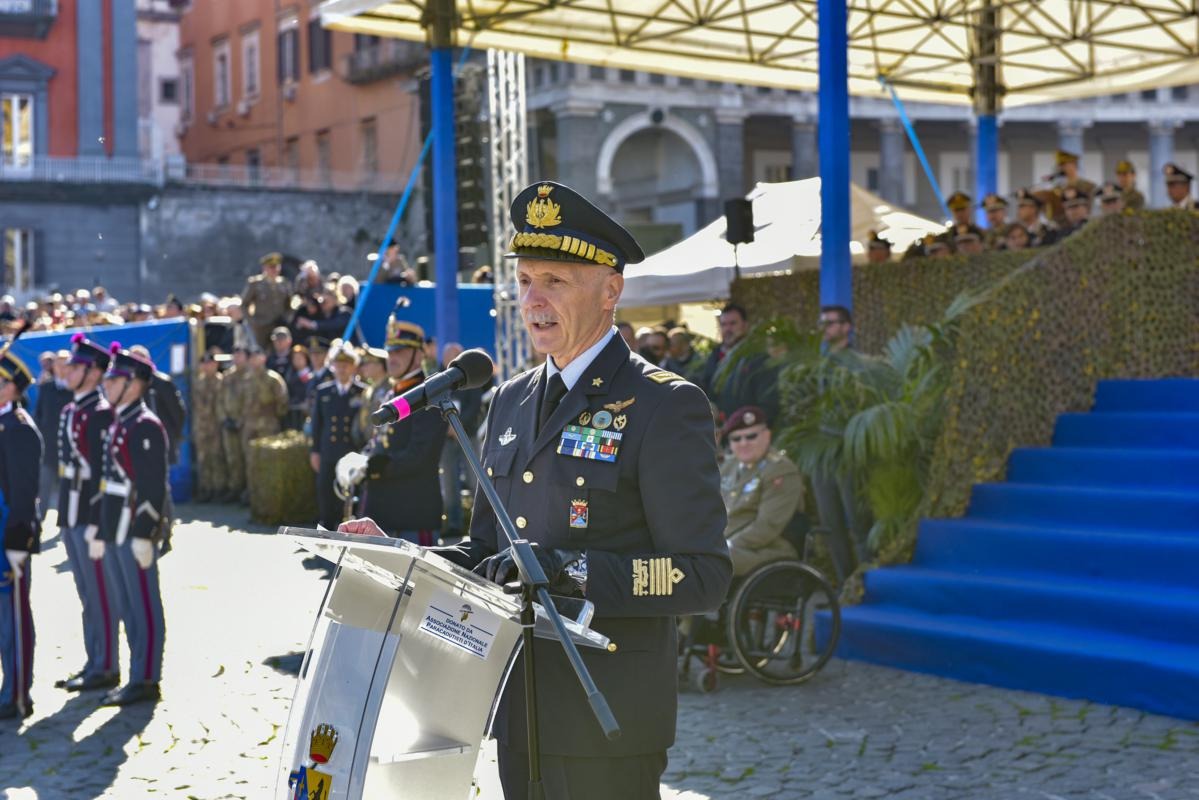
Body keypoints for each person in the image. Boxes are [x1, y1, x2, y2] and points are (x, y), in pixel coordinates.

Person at [343, 180, 732, 798]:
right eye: (525, 281)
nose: (534, 300)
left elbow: (702, 575)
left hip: (609, 717)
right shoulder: (509, 401)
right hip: (516, 708)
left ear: (611, 289)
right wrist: (399, 556)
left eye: (556, 280)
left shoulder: (665, 406)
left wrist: (568, 569)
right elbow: (487, 554)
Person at [97, 345, 168, 707]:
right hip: (116, 526)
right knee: (127, 604)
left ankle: (147, 676)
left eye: (114, 379)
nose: (106, 385)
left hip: (135, 527)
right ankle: (136, 671)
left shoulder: (145, 425)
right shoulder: (121, 422)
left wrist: (145, 532)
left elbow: (153, 485)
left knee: (144, 603)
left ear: (134, 384)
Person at [53, 335, 121, 693]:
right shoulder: (71, 409)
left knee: (100, 592)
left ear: (94, 372)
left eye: (77, 366)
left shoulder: (99, 413)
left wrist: (98, 523)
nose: (69, 370)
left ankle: (107, 665)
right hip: (71, 511)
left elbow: (103, 473)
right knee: (85, 591)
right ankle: (94, 658)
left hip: (91, 516)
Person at [354, 317, 447, 543]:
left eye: (400, 351)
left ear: (419, 355)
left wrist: (379, 466)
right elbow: (379, 441)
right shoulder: (391, 393)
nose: (392, 358)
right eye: (390, 352)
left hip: (411, 512)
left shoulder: (428, 396)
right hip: (381, 510)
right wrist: (360, 461)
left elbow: (421, 455)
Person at [0, 349, 43, 720]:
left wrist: (18, 542)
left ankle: (17, 694)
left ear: (12, 388)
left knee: (13, 616)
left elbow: (25, 492)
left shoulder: (18, 427)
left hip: (9, 537)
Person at [720, 406, 803, 576]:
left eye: (751, 436)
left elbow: (767, 527)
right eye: (736, 439)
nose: (744, 443)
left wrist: (727, 544)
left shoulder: (780, 470)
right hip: (726, 546)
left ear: (767, 436)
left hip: (767, 550)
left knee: (707, 562)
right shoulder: (728, 466)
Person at [309, 341, 368, 530]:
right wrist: (315, 451)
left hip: (351, 451)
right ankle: (326, 527)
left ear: (353, 366)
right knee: (325, 490)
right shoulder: (324, 391)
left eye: (346, 364)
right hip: (328, 450)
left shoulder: (362, 391)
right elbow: (317, 424)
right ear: (332, 366)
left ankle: (350, 528)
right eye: (338, 364)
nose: (342, 369)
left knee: (351, 493)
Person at [437, 341, 490, 537]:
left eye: (455, 355)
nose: (450, 359)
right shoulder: (438, 379)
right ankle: (454, 524)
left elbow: (474, 405)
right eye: (447, 355)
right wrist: (447, 427)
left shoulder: (469, 376)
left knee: (475, 478)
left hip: (467, 434)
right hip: (446, 438)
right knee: (449, 481)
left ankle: (482, 523)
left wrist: (457, 425)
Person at [700, 303, 778, 424]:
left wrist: (746, 422)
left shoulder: (758, 358)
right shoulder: (713, 358)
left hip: (748, 432)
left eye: (733, 323)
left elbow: (769, 403)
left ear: (745, 325)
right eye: (723, 325)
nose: (728, 329)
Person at [240, 348, 288, 494]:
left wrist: (274, 416)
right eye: (252, 357)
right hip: (249, 425)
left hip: (268, 425)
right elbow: (239, 402)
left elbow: (283, 402)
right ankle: (253, 493)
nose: (254, 360)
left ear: (264, 358)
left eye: (257, 356)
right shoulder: (246, 379)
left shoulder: (273, 379)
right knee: (250, 461)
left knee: (269, 461)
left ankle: (269, 493)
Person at [129, 345, 186, 467]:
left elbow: (177, 413)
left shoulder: (162, 384)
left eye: (140, 360)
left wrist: (171, 435)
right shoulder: (128, 386)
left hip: (160, 442)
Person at [34, 350, 71, 515]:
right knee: (44, 487)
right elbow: (39, 415)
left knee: (68, 490)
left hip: (70, 451)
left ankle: (65, 524)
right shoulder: (46, 387)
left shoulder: (75, 389)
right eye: (59, 364)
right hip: (48, 449)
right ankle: (38, 524)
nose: (62, 368)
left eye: (66, 364)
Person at [191, 352, 226, 502]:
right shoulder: (198, 383)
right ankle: (206, 489)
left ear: (215, 364)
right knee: (203, 458)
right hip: (202, 426)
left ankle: (219, 489)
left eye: (209, 363)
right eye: (203, 363)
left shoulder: (221, 382)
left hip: (217, 425)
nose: (206, 366)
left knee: (217, 457)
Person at [241, 252, 294, 350]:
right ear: (264, 268)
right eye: (271, 267)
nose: (274, 270)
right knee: (261, 350)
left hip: (279, 324)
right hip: (262, 326)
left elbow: (290, 304)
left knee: (280, 350)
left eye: (276, 267)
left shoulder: (284, 283)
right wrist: (253, 321)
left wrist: (287, 318)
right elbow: (244, 304)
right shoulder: (255, 283)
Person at [218, 345, 250, 503]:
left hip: (245, 424)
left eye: (240, 355)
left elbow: (251, 402)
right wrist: (224, 418)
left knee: (246, 458)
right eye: (235, 355)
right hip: (229, 422)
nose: (237, 358)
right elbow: (220, 399)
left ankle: (247, 491)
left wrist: (241, 420)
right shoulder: (227, 376)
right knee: (232, 458)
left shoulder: (250, 376)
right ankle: (235, 489)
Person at [284, 344, 313, 431]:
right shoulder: (290, 377)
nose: (298, 360)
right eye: (295, 358)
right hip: (297, 414)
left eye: (300, 357)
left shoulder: (314, 373)